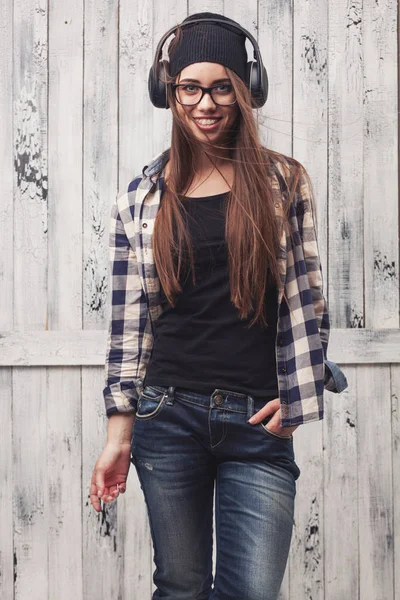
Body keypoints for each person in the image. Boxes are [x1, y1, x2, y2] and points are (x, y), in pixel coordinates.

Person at [90, 12, 348, 600]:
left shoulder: (284, 182)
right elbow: (128, 325)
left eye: (221, 86)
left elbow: (305, 298)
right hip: (167, 417)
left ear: (245, 89)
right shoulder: (141, 197)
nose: (205, 103)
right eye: (190, 87)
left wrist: (300, 394)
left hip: (258, 421)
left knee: (251, 592)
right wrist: (117, 436)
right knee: (179, 586)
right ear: (169, 92)